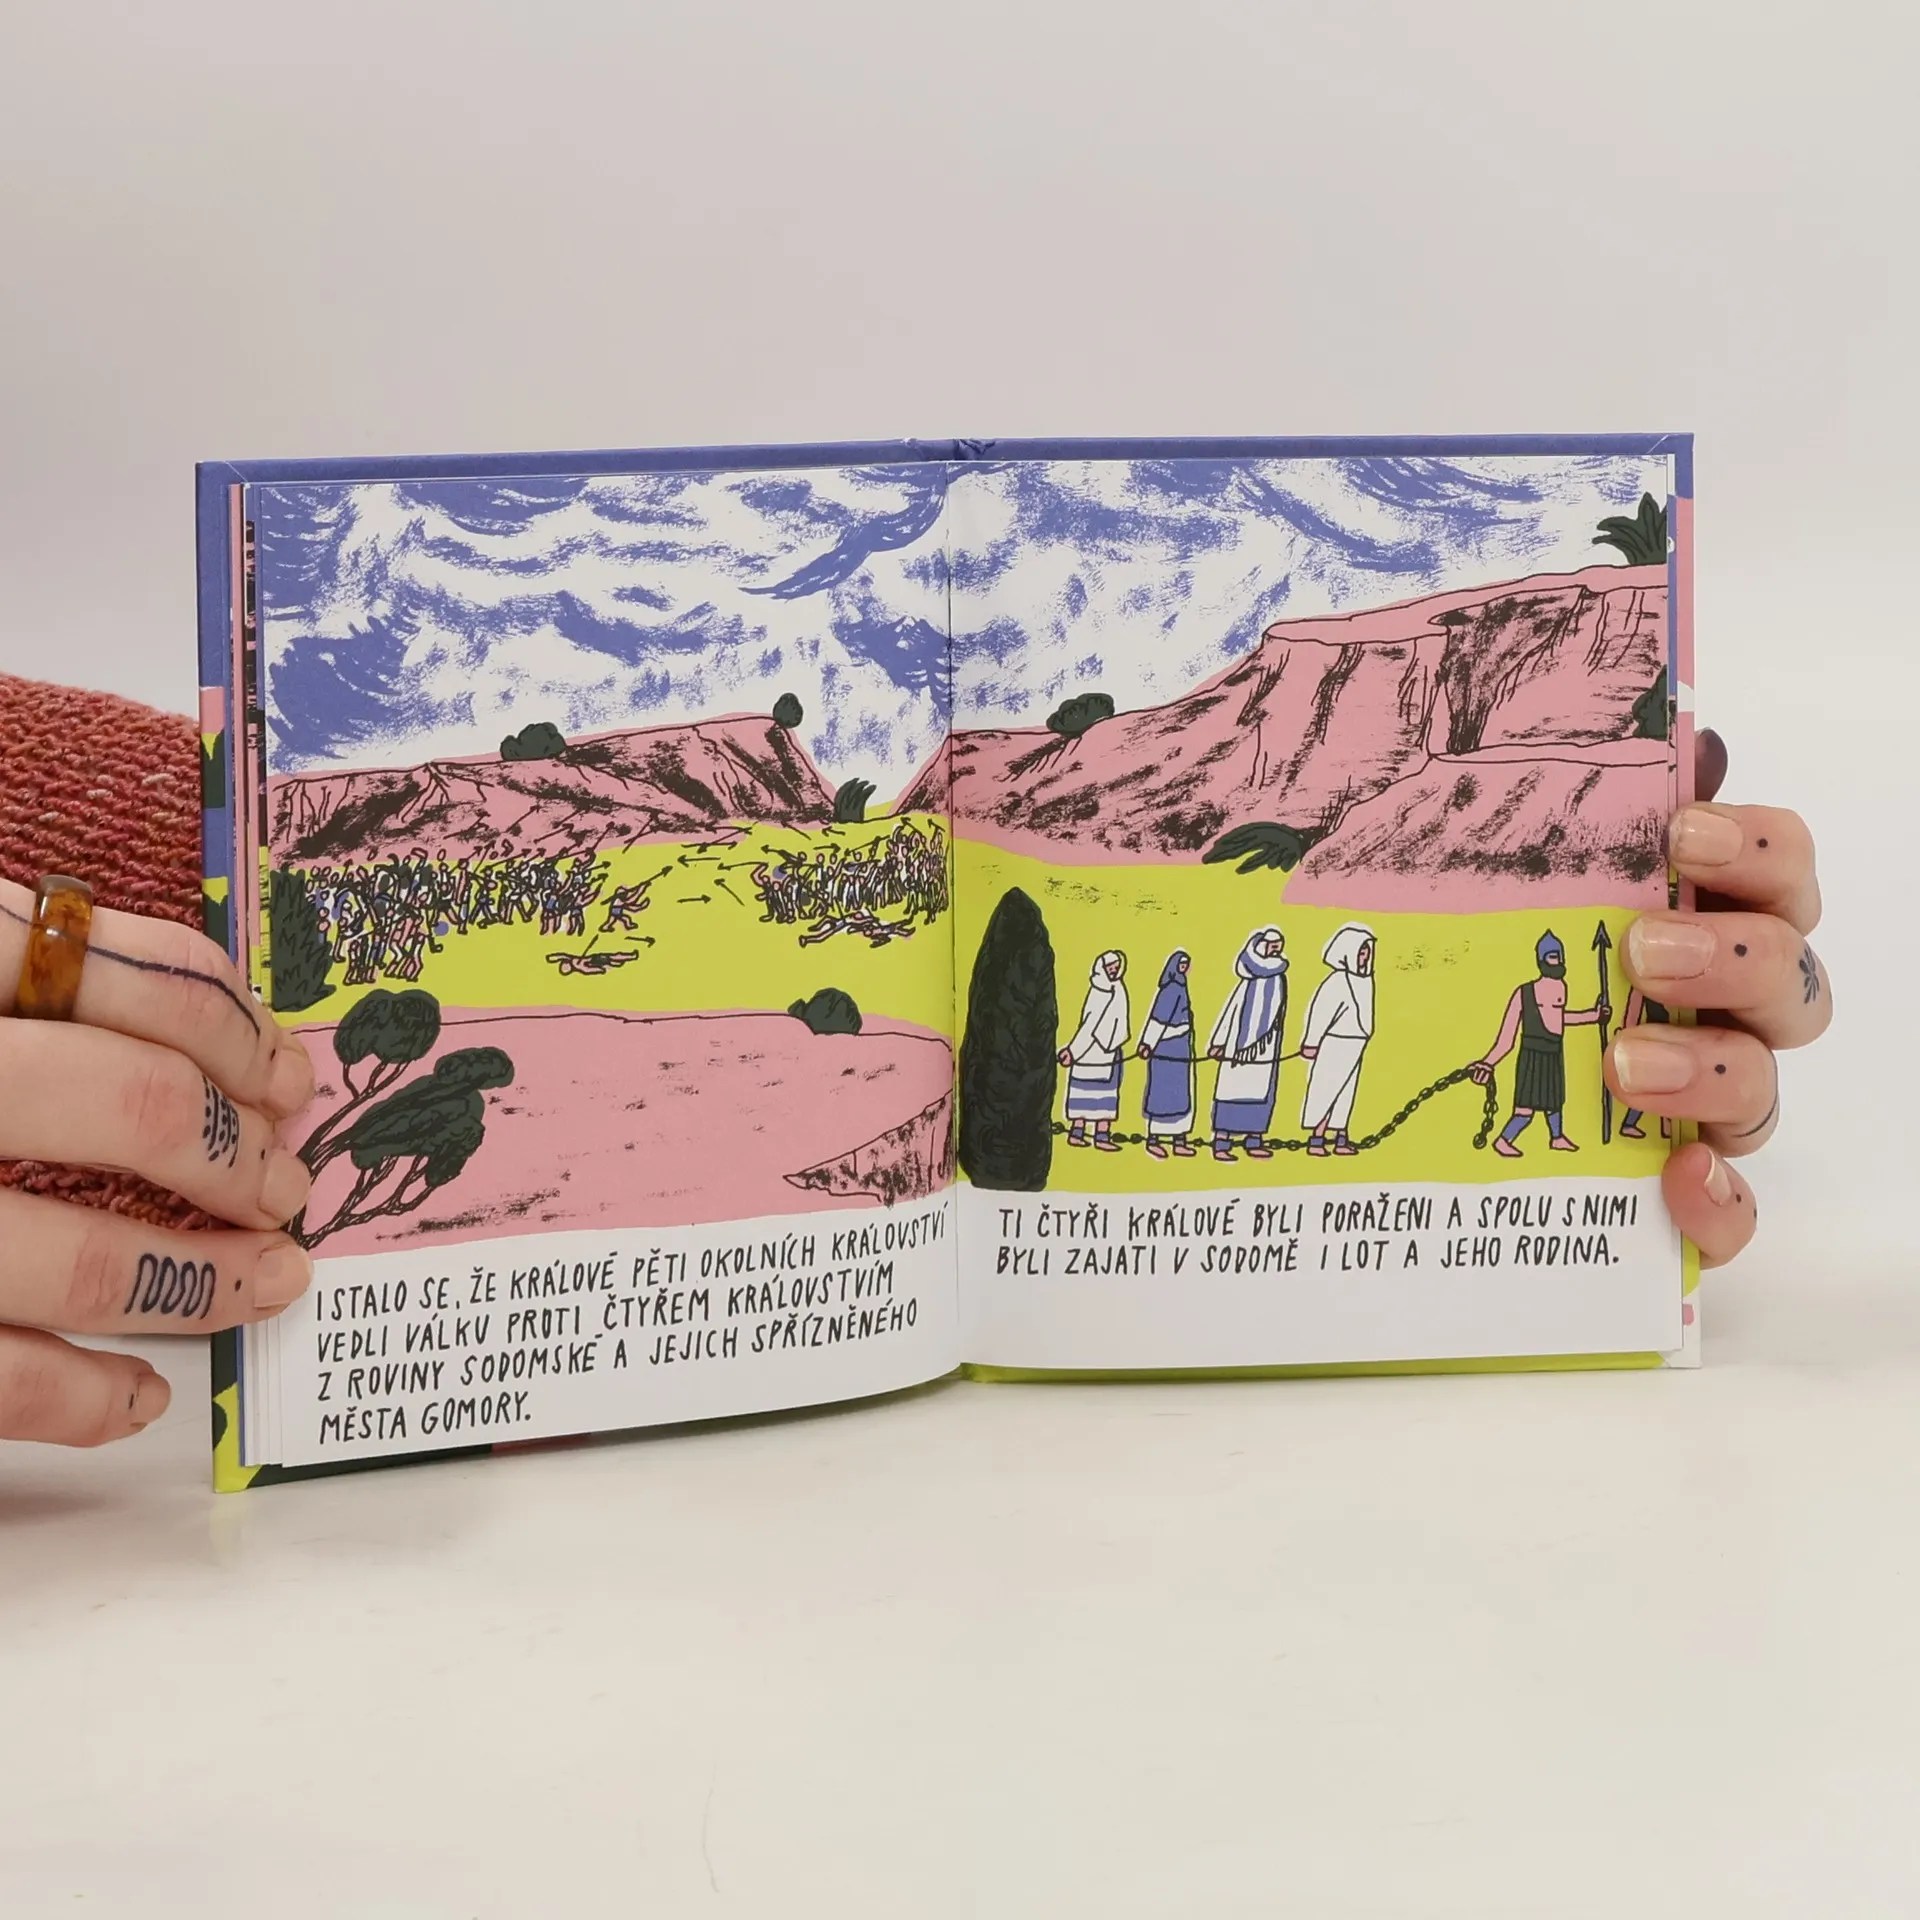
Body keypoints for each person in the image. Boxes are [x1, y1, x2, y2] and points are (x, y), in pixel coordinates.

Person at [1473, 930, 1611, 1156]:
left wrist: (1594, 1016)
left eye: (1559, 956)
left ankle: (1557, 1137)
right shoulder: (1524, 993)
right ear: (1541, 959)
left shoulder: (1561, 986)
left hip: (1554, 1052)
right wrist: (1488, 1063)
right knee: (1525, 1109)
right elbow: (1506, 1037)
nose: (1556, 961)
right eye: (1551, 956)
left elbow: (1560, 1018)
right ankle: (1503, 1140)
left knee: (1554, 1102)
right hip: (1532, 1055)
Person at [1207, 927, 1289, 1161]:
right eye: (1272, 945)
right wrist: (1219, 1042)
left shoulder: (1279, 978)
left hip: (1266, 1048)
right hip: (1238, 1049)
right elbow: (1231, 1011)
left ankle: (1254, 1140)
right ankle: (1222, 1142)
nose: (1276, 950)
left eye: (1278, 945)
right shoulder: (1247, 982)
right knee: (1231, 1092)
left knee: (1262, 1094)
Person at [1300, 923, 1376, 1157]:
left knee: (1346, 1093)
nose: (1364, 957)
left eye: (1367, 952)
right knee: (1326, 1090)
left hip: (1356, 1043)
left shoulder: (1365, 980)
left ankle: (1340, 1137)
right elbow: (1320, 1013)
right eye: (1361, 952)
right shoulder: (1337, 981)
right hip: (1334, 1043)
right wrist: (1311, 1041)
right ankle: (1317, 1138)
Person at [1060, 950, 1130, 1151]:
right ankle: (1077, 1133)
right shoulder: (1098, 991)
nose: (1114, 970)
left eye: (1116, 967)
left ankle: (1102, 1136)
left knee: (1106, 1098)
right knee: (1083, 1094)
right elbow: (1088, 1025)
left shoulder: (1119, 988)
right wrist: (1073, 1051)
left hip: (1110, 1052)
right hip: (1089, 1053)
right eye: (1110, 967)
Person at [1137, 950, 1198, 1158]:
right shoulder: (1171, 990)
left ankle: (1179, 1140)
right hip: (1166, 1049)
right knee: (1162, 1095)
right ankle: (1153, 1139)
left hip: (1181, 1049)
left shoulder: (1181, 987)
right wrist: (1147, 1043)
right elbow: (1158, 1020)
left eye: (1186, 964)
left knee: (1181, 1095)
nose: (1184, 968)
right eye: (1181, 964)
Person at [1616, 984, 1671, 1140]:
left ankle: (1664, 1124)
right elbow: (1633, 1011)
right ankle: (1629, 1123)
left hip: (1667, 1041)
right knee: (1651, 1085)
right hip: (1653, 1041)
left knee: (1662, 1085)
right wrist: (1627, 1035)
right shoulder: (1643, 987)